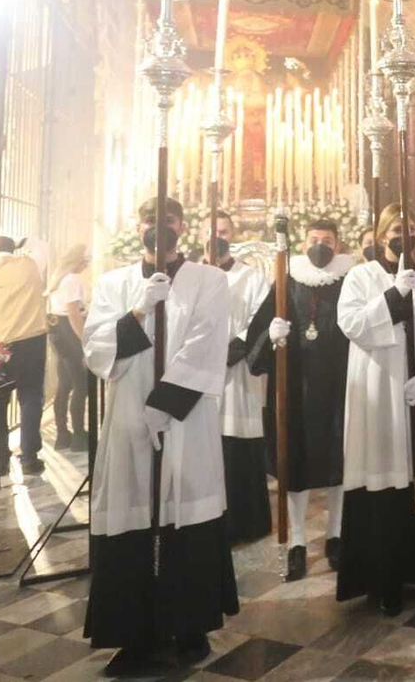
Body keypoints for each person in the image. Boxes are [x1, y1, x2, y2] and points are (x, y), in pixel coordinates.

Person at [81, 196, 238, 675]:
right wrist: (138, 313)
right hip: (128, 421)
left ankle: (191, 625)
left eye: (167, 221)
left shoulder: (210, 280)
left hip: (185, 421)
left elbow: (209, 343)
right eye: (150, 220)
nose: (158, 228)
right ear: (137, 225)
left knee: (184, 515)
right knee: (134, 516)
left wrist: (165, 407)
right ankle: (132, 634)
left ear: (182, 227)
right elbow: (97, 349)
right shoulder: (112, 283)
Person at [337, 203, 415, 615]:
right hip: (379, 397)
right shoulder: (360, 277)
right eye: (394, 228)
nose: (401, 235)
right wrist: (394, 296)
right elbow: (352, 325)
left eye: (409, 228)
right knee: (386, 482)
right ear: (380, 233)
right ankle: (385, 581)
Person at [243, 219, 357, 579]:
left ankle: (335, 535)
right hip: (296, 381)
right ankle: (297, 541)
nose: (319, 245)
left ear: (337, 245)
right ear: (304, 242)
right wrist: (271, 334)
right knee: (295, 461)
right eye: (313, 239)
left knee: (339, 457)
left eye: (326, 240)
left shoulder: (349, 277)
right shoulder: (289, 276)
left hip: (340, 379)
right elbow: (260, 328)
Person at [209, 211, 272, 545]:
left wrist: (236, 345)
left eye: (223, 231)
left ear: (232, 235)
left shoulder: (250, 278)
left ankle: (244, 522)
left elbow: (261, 318)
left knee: (236, 442)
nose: (218, 236)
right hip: (200, 375)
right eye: (212, 230)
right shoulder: (191, 276)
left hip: (236, 373)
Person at [0, 235, 48, 478]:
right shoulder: (30, 265)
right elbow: (43, 246)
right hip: (32, 340)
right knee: (31, 397)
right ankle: (29, 458)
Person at [46, 243, 90, 453]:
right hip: (69, 331)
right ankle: (79, 436)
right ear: (78, 260)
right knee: (81, 384)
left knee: (65, 384)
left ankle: (63, 434)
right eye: (86, 260)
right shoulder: (72, 279)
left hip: (56, 330)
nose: (87, 264)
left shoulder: (59, 277)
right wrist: (84, 340)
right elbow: (73, 313)